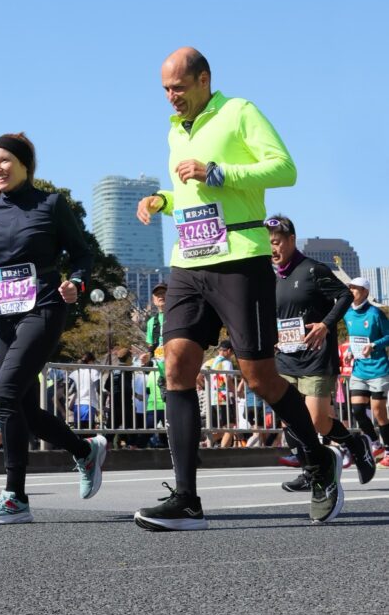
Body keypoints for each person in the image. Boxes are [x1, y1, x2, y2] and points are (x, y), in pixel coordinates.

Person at [133, 47, 343, 531]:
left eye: (179, 88)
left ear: (204, 79)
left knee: (259, 378)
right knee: (178, 367)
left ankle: (317, 459)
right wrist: (162, 199)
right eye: (165, 90)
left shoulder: (239, 111)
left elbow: (285, 168)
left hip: (238, 259)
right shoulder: (173, 130)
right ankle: (186, 497)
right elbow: (190, 193)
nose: (171, 98)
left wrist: (219, 171)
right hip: (187, 261)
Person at [0, 132, 106, 524]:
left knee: (4, 393)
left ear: (25, 165)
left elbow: (84, 253)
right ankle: (84, 451)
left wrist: (76, 283)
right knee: (23, 407)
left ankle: (14, 496)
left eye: (5, 161)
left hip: (45, 307)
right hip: (6, 316)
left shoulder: (50, 205)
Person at [265, 215, 375, 492]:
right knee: (290, 417)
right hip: (286, 357)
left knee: (317, 421)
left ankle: (355, 444)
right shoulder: (270, 276)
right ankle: (309, 469)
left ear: (291, 240)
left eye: (277, 242)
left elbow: (345, 296)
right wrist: (273, 337)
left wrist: (326, 325)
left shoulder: (313, 270)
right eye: (268, 244)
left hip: (315, 356)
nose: (273, 249)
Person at [343, 277, 389, 468]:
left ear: (365, 292)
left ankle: (388, 449)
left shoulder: (375, 313)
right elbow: (353, 338)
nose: (352, 291)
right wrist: (348, 350)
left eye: (356, 288)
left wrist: (374, 345)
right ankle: (375, 443)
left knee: (378, 411)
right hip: (359, 369)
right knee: (358, 411)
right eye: (351, 288)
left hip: (378, 368)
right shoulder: (347, 314)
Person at [204, 338, 236, 448]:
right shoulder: (227, 362)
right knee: (230, 427)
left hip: (212, 398)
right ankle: (223, 451)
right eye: (232, 353)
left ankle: (204, 444)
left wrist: (204, 387)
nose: (232, 355)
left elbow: (198, 376)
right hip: (223, 398)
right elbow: (227, 379)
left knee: (221, 428)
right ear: (228, 351)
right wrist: (235, 392)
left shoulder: (211, 361)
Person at [68, 351, 101, 431]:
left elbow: (68, 388)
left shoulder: (75, 373)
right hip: (89, 404)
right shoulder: (94, 372)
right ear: (90, 361)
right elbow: (98, 388)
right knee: (89, 432)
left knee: (78, 431)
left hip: (77, 405)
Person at [146, 283, 167, 355]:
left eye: (163, 292)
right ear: (154, 300)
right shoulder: (151, 322)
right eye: (157, 294)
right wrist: (147, 357)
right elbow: (151, 346)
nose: (160, 296)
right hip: (157, 364)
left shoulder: (178, 316)